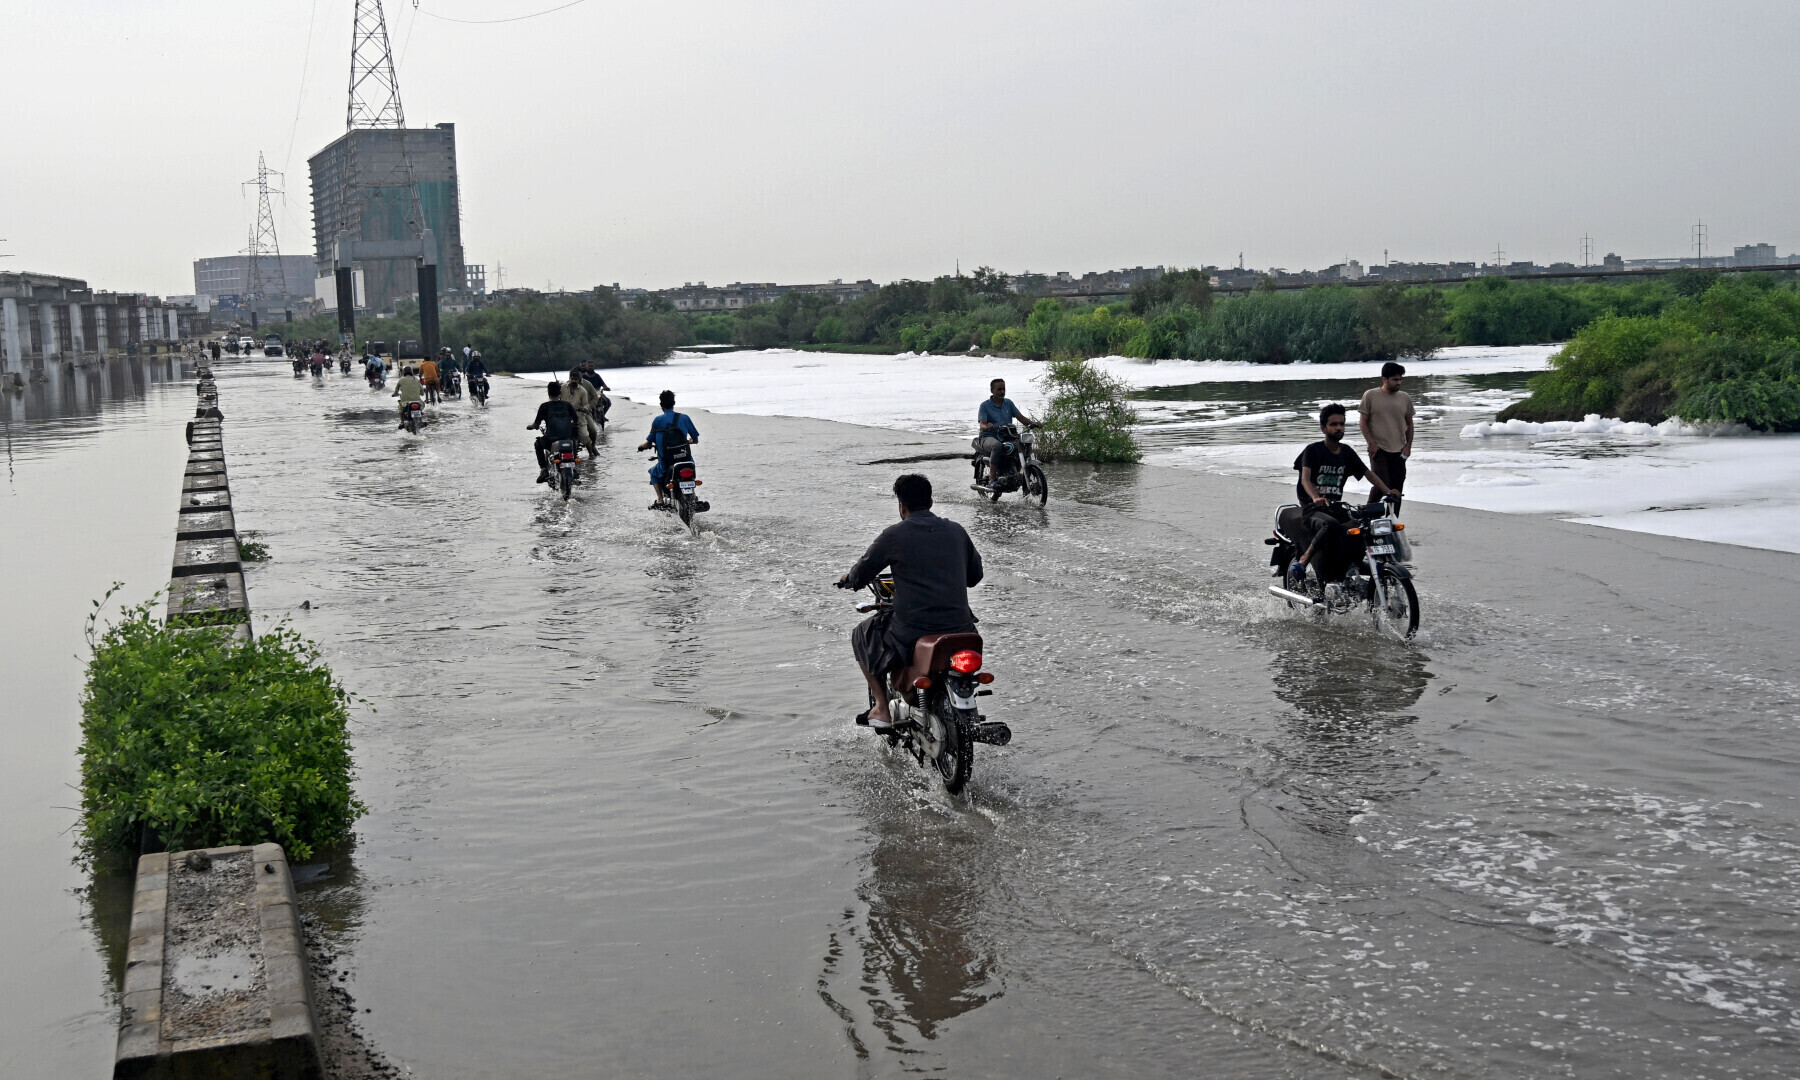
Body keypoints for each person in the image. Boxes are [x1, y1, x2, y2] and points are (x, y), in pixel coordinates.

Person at [837, 474, 984, 730]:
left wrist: (849, 579)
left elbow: (862, 572)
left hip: (914, 628)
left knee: (861, 633)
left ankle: (882, 708)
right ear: (931, 501)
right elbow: (975, 577)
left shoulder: (894, 535)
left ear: (901, 505)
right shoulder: (957, 531)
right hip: (961, 626)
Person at [1291, 404, 1396, 582]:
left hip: (1334, 507)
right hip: (1312, 509)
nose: (1339, 428)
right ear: (1324, 428)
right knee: (1330, 525)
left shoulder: (1346, 452)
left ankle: (1352, 563)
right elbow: (1305, 479)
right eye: (1334, 424)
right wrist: (1315, 497)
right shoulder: (1313, 450)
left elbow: (1368, 474)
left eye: (1342, 424)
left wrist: (1388, 491)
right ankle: (1304, 559)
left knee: (1362, 526)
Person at [1359, 361, 1414, 510]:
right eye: (1395, 379)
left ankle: (1393, 522)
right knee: (1381, 484)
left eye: (1400, 379)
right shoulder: (1370, 395)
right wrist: (1371, 443)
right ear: (1385, 379)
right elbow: (1363, 422)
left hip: (1399, 450)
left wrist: (1408, 446)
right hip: (1379, 449)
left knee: (1397, 487)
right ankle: (1368, 515)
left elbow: (1409, 423)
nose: (1399, 383)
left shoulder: (1405, 398)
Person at [636, 390, 700, 509]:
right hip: (686, 459)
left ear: (661, 405)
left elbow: (648, 442)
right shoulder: (685, 417)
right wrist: (687, 441)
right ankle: (694, 496)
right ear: (674, 403)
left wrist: (641, 447)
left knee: (653, 473)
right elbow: (695, 439)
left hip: (666, 461)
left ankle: (660, 500)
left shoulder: (657, 420)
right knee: (691, 472)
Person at [972, 378, 1038, 487]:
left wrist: (1033, 423)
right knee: (997, 446)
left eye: (1003, 389)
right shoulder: (984, 406)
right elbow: (982, 424)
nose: (1002, 392)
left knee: (1022, 445)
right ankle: (992, 480)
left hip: (1007, 435)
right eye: (999, 389)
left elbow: (1020, 417)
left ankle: (1016, 472)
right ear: (992, 390)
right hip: (988, 436)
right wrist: (986, 426)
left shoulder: (1008, 403)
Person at [527, 380, 581, 483]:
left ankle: (543, 469)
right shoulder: (567, 405)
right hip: (567, 438)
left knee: (537, 444)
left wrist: (531, 427)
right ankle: (573, 468)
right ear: (560, 392)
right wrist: (571, 423)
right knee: (574, 441)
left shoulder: (544, 406)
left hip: (551, 440)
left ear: (548, 393)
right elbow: (576, 419)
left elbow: (536, 424)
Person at [562, 368, 601, 456]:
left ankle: (592, 447)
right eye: (572, 378)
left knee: (592, 430)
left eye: (576, 378)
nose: (574, 380)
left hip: (582, 412)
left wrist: (587, 408)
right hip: (566, 414)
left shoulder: (586, 386)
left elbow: (595, 398)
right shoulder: (564, 386)